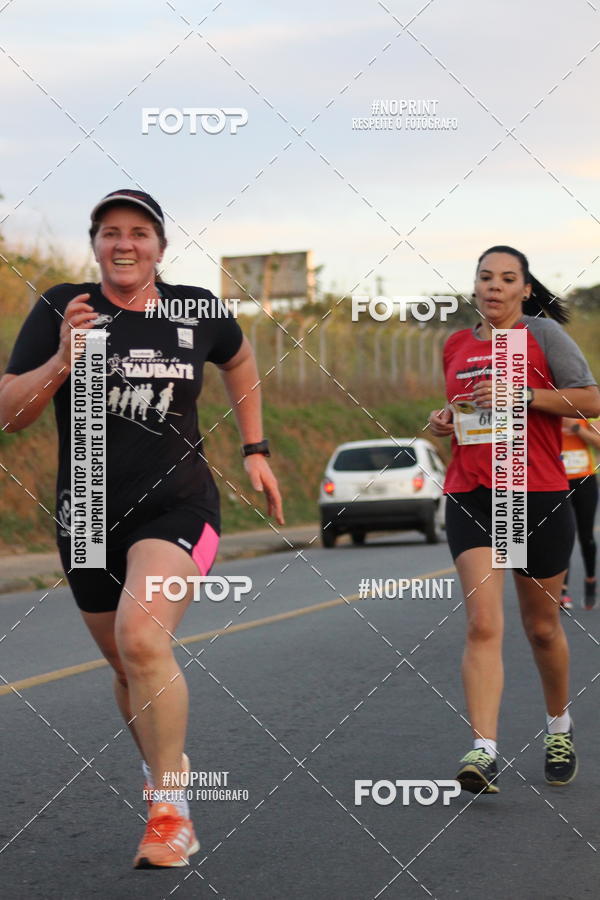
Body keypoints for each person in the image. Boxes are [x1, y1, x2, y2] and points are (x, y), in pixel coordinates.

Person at [0, 189, 284, 868]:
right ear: (95, 244)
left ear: (161, 246)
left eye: (139, 233)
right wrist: (65, 357)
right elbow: (12, 415)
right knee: (128, 665)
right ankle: (169, 770)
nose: (124, 245)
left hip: (180, 508)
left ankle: (168, 812)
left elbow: (240, 361)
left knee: (141, 636)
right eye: (110, 233)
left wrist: (255, 448)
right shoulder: (63, 307)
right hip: (89, 513)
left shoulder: (197, 310)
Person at [428, 245, 600, 795]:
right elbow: (466, 411)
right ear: (474, 285)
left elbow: (590, 400)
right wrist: (445, 421)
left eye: (507, 279)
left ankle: (559, 728)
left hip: (537, 494)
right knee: (483, 624)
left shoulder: (544, 337)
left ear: (526, 289)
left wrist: (523, 394)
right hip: (472, 492)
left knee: (542, 628)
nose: (494, 287)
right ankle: (484, 750)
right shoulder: (455, 343)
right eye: (485, 277)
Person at [559, 417, 600, 610]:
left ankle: (590, 580)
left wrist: (575, 427)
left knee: (586, 536)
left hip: (585, 480)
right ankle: (562, 590)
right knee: (562, 534)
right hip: (558, 482)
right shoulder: (549, 410)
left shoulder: (585, 411)